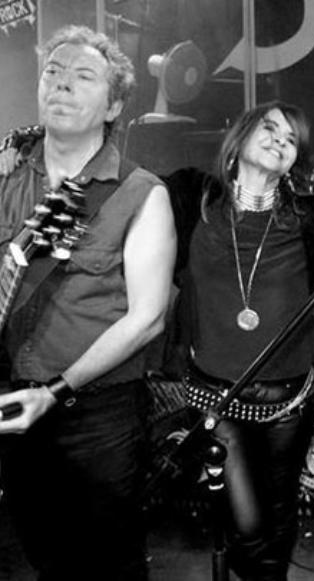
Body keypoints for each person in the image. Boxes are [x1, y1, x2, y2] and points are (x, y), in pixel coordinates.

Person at [0, 25, 176, 580]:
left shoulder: (140, 192)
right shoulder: (7, 176)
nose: (61, 84)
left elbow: (147, 319)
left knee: (107, 561)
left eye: (82, 76)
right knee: (40, 549)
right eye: (52, 72)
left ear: (114, 105)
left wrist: (56, 390)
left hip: (99, 412)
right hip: (13, 397)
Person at [164, 101, 314, 581]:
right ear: (240, 135)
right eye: (269, 128)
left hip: (290, 403)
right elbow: (127, 191)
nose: (279, 141)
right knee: (247, 526)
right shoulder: (192, 199)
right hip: (217, 398)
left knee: (280, 512)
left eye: (291, 140)